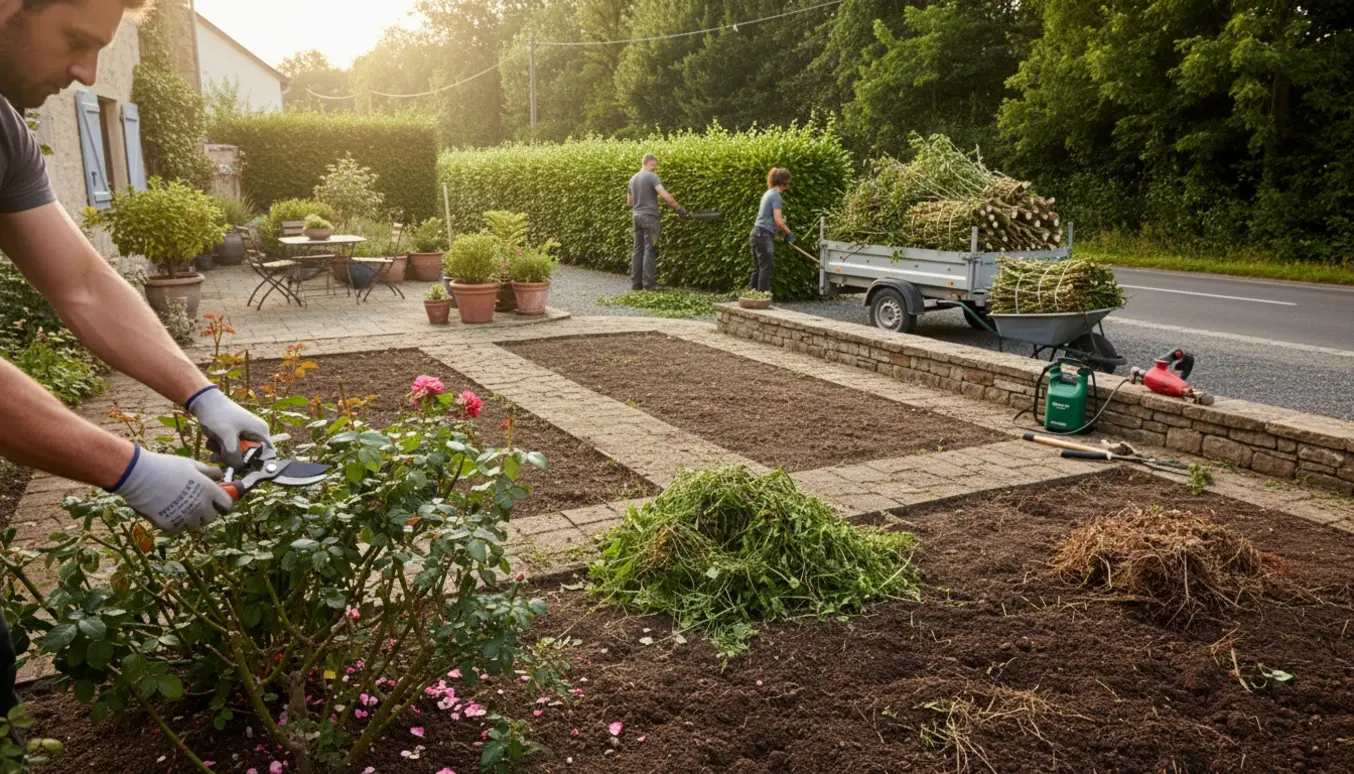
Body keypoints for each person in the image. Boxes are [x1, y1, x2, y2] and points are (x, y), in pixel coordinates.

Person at [0, 0, 271, 723]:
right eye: (77, 42)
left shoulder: (2, 129)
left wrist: (204, 396)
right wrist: (129, 468)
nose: (87, 73)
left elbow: (83, 283)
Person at [627, 153, 687, 291]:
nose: (655, 168)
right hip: (650, 218)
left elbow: (630, 202)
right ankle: (649, 284)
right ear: (647, 163)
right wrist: (679, 208)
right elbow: (664, 194)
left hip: (636, 217)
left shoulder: (633, 179)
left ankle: (636, 284)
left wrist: (642, 199)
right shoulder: (652, 176)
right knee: (651, 248)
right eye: (653, 165)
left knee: (638, 249)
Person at [749, 168, 792, 293]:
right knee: (767, 268)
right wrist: (788, 232)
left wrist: (780, 224)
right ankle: (762, 298)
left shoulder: (768, 193)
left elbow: (771, 219)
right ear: (784, 182)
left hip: (756, 233)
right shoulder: (776, 196)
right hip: (763, 235)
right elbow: (778, 221)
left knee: (758, 268)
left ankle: (751, 297)